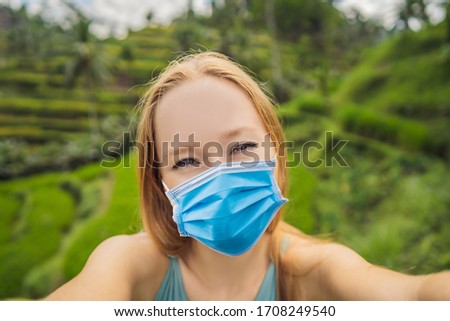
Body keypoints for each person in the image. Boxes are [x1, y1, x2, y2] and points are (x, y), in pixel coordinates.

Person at [45, 51, 450, 300]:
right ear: (160, 183)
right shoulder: (132, 267)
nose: (219, 179)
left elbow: (416, 298)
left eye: (241, 148)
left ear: (275, 152)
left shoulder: (315, 272)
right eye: (185, 161)